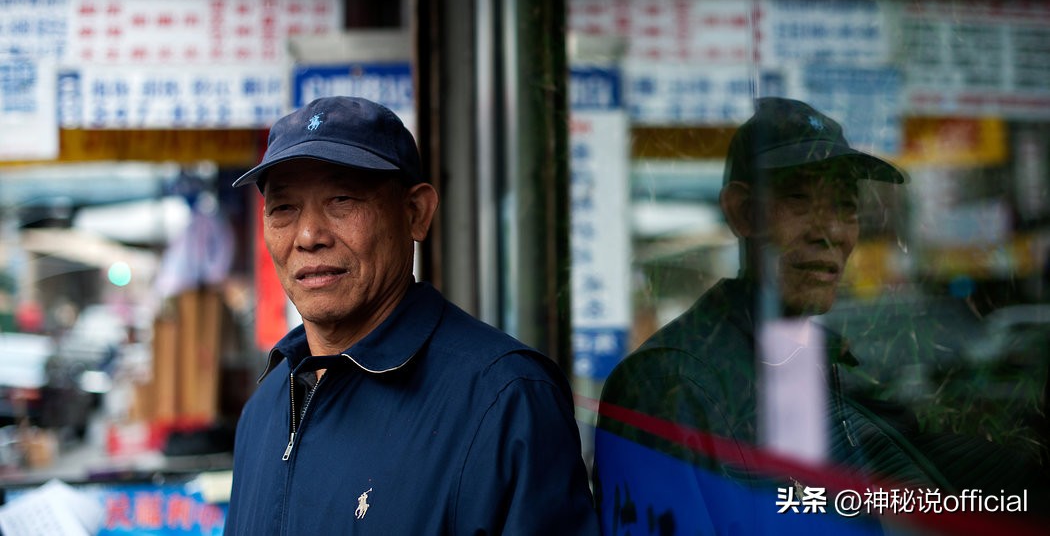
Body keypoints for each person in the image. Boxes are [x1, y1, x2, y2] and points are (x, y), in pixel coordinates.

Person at [592, 97, 1047, 535]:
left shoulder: (823, 363)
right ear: (742, 212)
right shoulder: (666, 384)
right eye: (799, 199)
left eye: (845, 206)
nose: (829, 231)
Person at [224, 95, 600, 535]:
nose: (308, 236)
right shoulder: (266, 408)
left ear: (416, 213)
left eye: (342, 199)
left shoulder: (506, 399)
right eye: (284, 208)